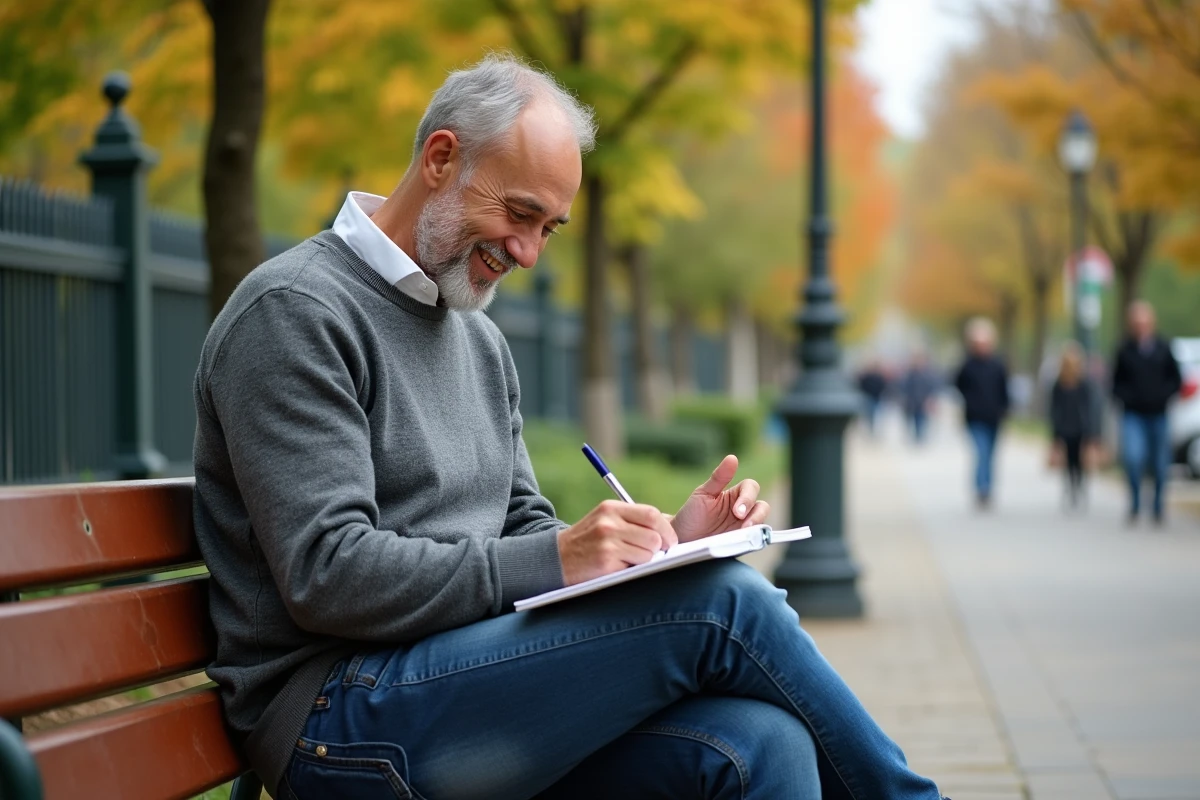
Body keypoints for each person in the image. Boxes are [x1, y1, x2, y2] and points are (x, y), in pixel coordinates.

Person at [193, 55, 947, 800]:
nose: (527, 252)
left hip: (457, 680)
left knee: (758, 745)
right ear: (441, 157)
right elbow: (329, 574)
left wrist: (657, 552)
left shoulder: (474, 337)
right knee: (723, 603)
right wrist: (560, 559)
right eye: (519, 214)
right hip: (339, 716)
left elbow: (519, 524)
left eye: (549, 228)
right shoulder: (295, 312)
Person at [1111, 300, 1182, 525]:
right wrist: (1128, 397)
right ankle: (1135, 502)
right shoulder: (1124, 349)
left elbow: (1176, 379)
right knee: (1133, 458)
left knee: (1160, 464)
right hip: (1133, 414)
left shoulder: (1163, 347)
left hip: (1158, 413)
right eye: (1137, 322)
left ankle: (1158, 506)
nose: (1141, 326)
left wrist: (1163, 396)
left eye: (1145, 322)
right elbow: (1116, 383)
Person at [953, 318, 1009, 508]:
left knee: (991, 455)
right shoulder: (967, 365)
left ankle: (988, 486)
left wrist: (1005, 409)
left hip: (994, 417)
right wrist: (970, 400)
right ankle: (981, 489)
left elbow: (1004, 389)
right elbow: (957, 384)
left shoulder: (997, 364)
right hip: (975, 417)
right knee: (981, 452)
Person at [1048, 342, 1098, 509]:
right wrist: (1055, 432)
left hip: (1081, 427)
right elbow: (1054, 408)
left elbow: (1090, 408)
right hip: (1065, 427)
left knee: (1079, 460)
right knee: (1069, 460)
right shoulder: (1058, 384)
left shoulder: (1084, 384)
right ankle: (1071, 486)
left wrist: (1092, 430)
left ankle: (1079, 485)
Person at [901, 351, 939, 444]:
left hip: (924, 401)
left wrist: (931, 399)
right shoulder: (910, 374)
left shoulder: (928, 374)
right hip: (912, 402)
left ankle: (920, 436)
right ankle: (917, 435)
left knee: (922, 419)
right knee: (914, 419)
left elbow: (932, 387)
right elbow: (905, 387)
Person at [857, 358, 888, 436]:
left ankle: (875, 430)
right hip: (869, 397)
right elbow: (861, 385)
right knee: (869, 415)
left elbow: (883, 386)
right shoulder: (866, 376)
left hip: (876, 398)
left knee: (876, 415)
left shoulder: (878, 376)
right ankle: (871, 429)